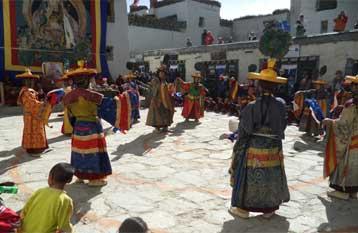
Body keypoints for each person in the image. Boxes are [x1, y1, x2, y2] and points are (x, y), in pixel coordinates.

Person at [229, 59, 290, 219]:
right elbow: (282, 127)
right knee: (270, 176)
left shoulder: (251, 106)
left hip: (255, 148)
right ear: (275, 86)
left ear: (260, 86)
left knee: (250, 177)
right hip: (273, 148)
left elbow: (245, 130)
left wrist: (238, 146)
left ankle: (243, 209)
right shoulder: (281, 105)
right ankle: (269, 209)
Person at [62, 61, 112, 186]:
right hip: (92, 126)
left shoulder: (68, 96)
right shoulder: (93, 95)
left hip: (78, 126)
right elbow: (106, 107)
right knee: (92, 151)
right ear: (87, 80)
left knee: (79, 151)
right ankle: (93, 178)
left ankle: (79, 175)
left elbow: (69, 114)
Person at [322, 75, 358, 200]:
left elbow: (344, 124)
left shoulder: (351, 104)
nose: (352, 87)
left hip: (351, 140)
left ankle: (342, 190)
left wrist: (331, 122)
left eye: (354, 84)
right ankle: (353, 191)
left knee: (345, 163)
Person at [20, 163, 74, 233]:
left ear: (50, 177)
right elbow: (63, 226)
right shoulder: (66, 200)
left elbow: (24, 212)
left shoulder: (39, 191)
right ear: (69, 180)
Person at [16, 69, 48, 155]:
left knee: (32, 131)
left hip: (32, 114)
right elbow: (32, 104)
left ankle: (34, 147)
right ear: (24, 81)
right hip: (32, 114)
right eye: (27, 80)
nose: (30, 82)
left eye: (31, 80)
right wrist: (43, 104)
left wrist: (40, 97)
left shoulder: (29, 90)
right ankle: (34, 148)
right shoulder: (26, 92)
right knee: (33, 131)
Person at [146, 65, 175, 132]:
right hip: (157, 100)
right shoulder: (155, 80)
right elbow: (154, 90)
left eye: (163, 73)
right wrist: (160, 86)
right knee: (157, 115)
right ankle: (157, 127)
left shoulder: (165, 81)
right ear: (158, 74)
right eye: (160, 73)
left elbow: (167, 90)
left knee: (165, 113)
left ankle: (165, 125)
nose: (162, 74)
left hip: (165, 100)